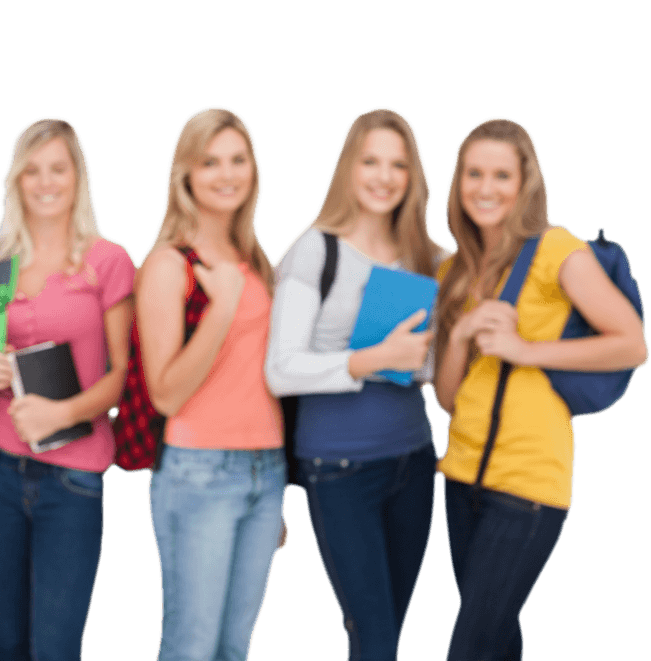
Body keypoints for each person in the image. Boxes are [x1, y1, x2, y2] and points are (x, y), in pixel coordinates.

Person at [432, 117, 647, 660]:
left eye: (501, 175)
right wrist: (458, 336)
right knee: (495, 639)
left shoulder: (555, 249)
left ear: (525, 182)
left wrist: (527, 351)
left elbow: (632, 343)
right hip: (461, 477)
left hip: (527, 485)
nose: (485, 188)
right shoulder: (454, 272)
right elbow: (450, 398)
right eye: (473, 174)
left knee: (470, 648)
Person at [265, 107, 446, 661]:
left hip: (413, 463)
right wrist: (370, 359)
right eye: (371, 161)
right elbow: (280, 368)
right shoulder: (314, 251)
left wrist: (421, 358)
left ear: (413, 176)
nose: (384, 176)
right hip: (339, 469)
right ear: (348, 167)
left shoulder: (429, 257)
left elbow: (428, 370)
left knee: (387, 631)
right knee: (373, 636)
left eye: (398, 164)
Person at [0, 117, 134, 661]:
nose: (45, 182)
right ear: (15, 180)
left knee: (56, 648)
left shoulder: (107, 261)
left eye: (57, 168)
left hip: (73, 478)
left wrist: (61, 416)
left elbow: (124, 375)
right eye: (32, 170)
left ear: (78, 176)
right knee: (9, 645)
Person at [134, 105, 284, 661]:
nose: (227, 173)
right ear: (186, 175)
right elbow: (166, 392)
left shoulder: (255, 262)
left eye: (238, 159)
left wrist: (273, 490)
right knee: (191, 647)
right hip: (199, 472)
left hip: (264, 472)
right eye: (211, 161)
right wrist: (220, 310)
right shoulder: (171, 264)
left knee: (232, 647)